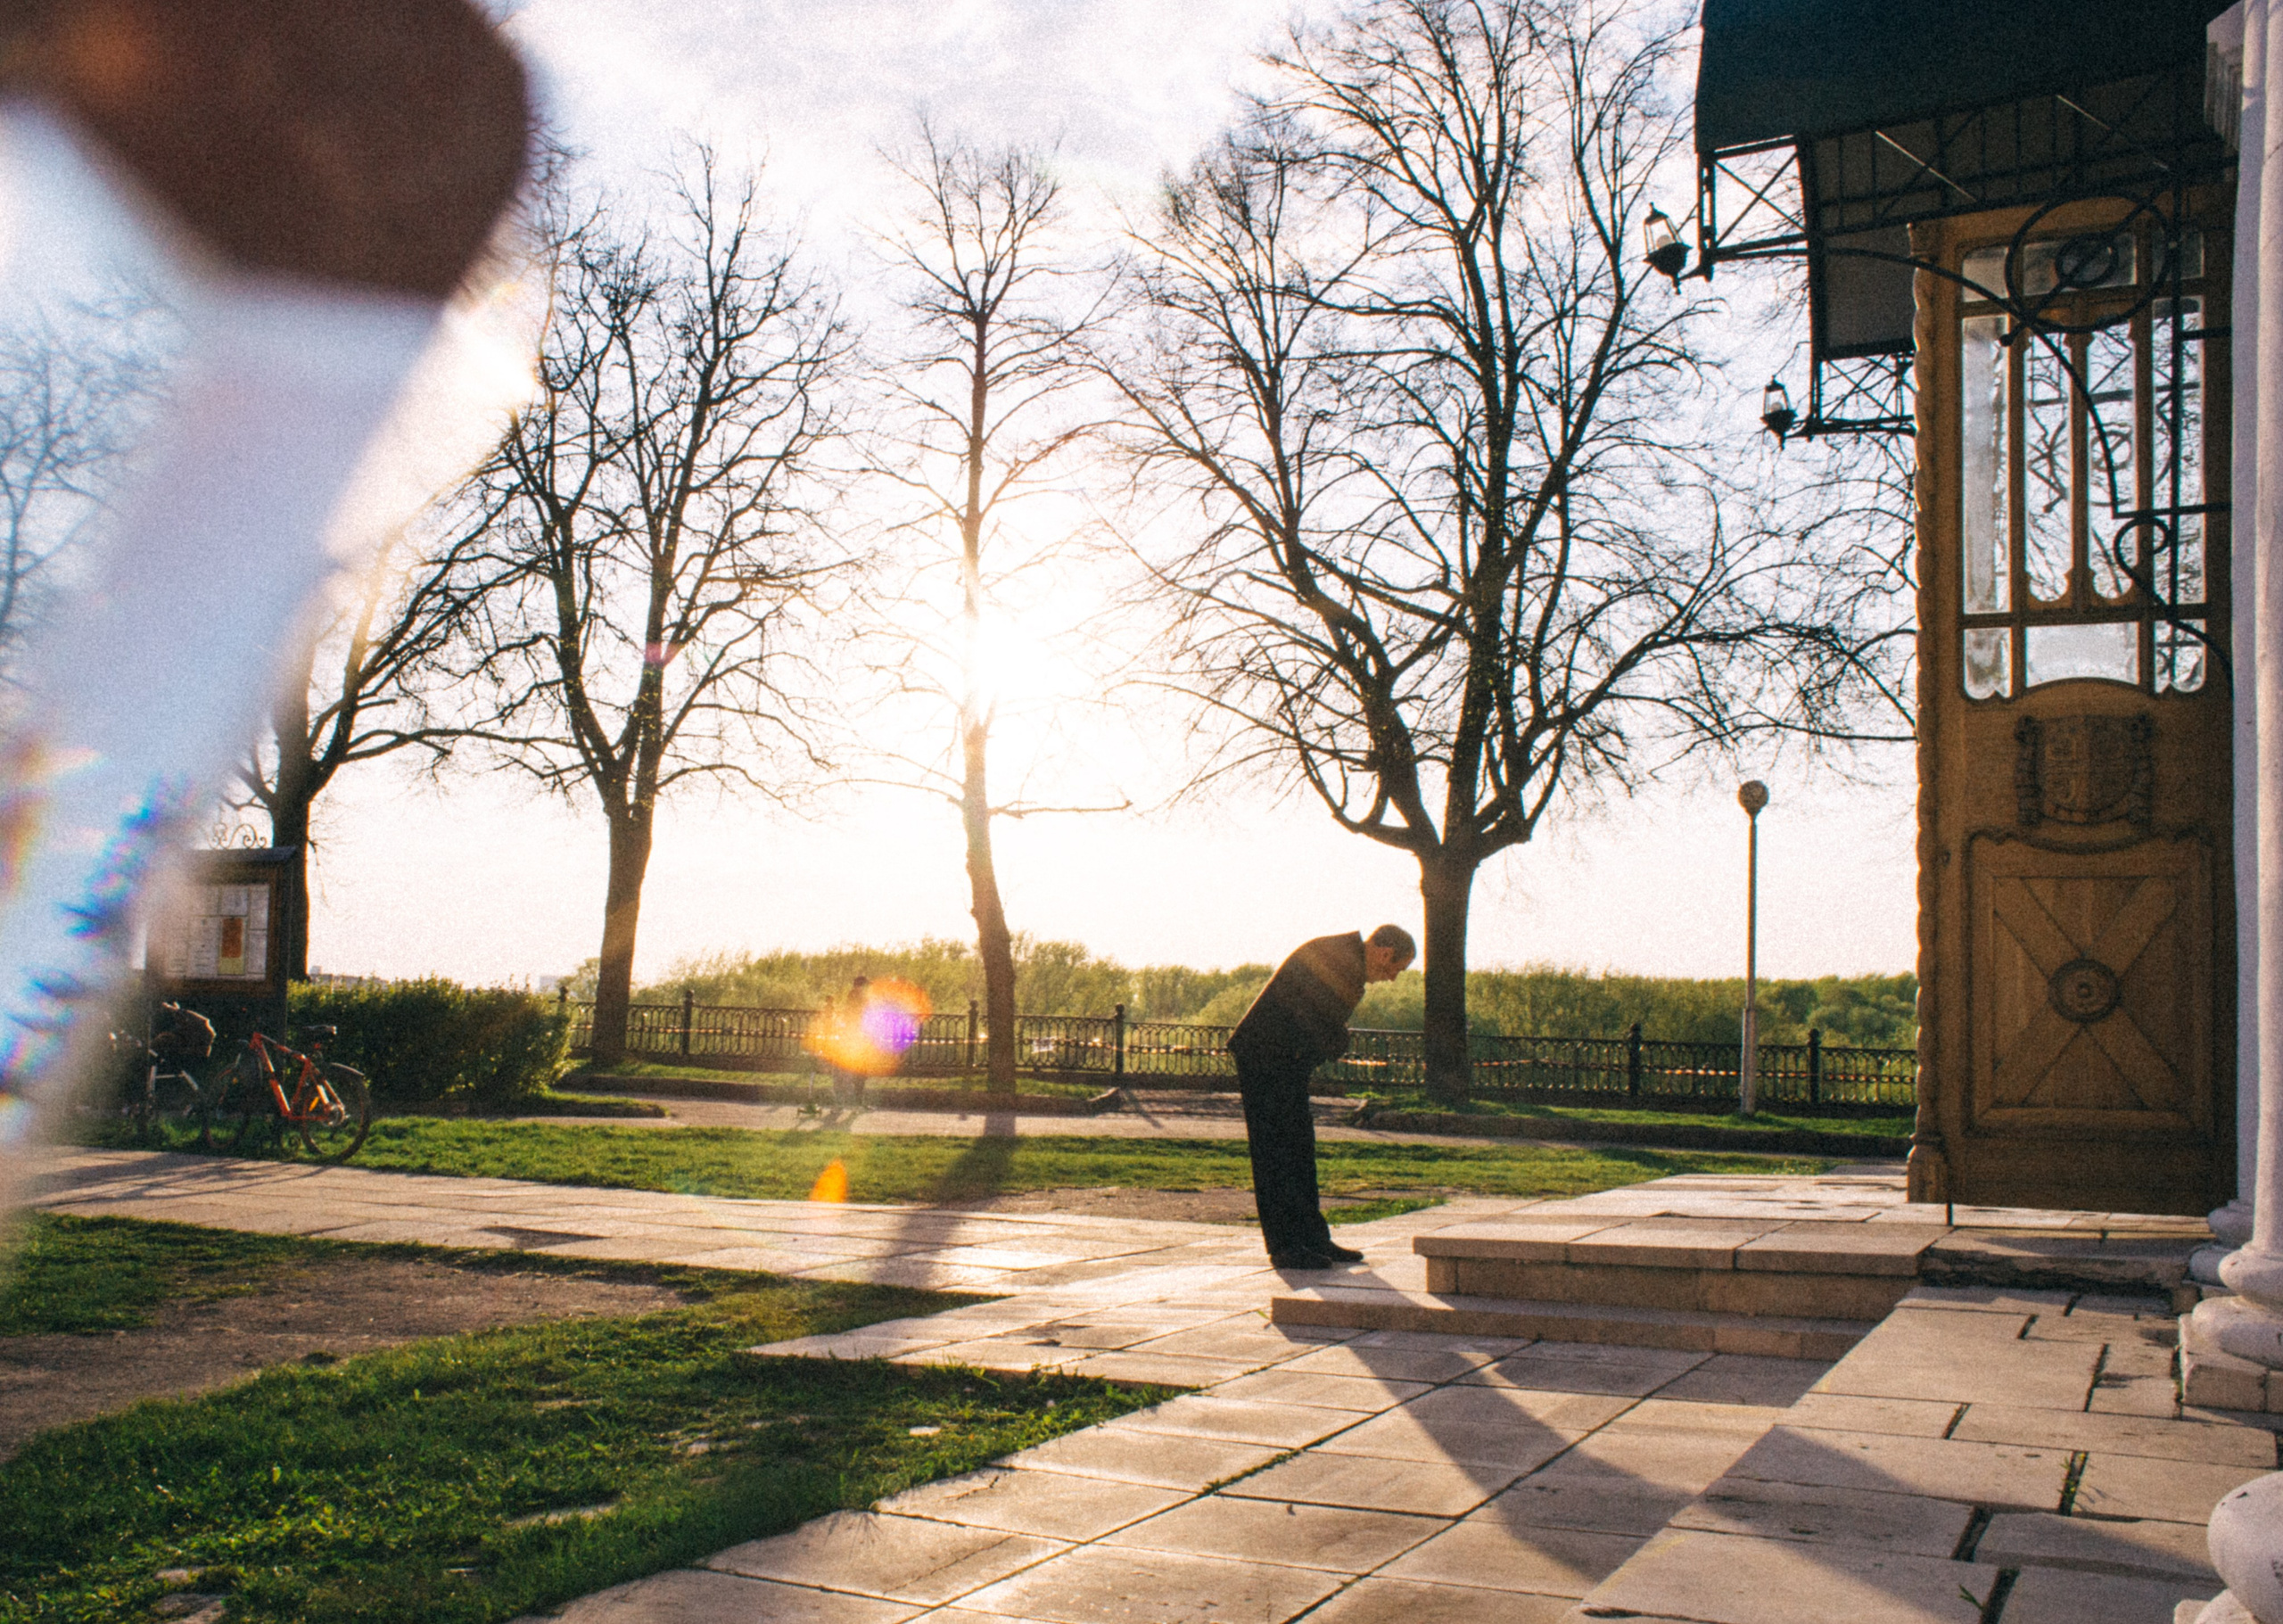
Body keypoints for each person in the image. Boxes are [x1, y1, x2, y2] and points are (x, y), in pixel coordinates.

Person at [1228, 923, 1416, 1268]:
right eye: (1396, 970)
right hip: (1264, 1055)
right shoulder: (1341, 961)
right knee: (1275, 1151)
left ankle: (1313, 1239)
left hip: (1284, 1057)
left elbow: (1316, 1023)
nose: (1392, 979)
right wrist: (1335, 1041)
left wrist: (1331, 1040)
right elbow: (1310, 1021)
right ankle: (1285, 1246)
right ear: (1385, 953)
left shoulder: (1345, 959)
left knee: (1299, 1146)